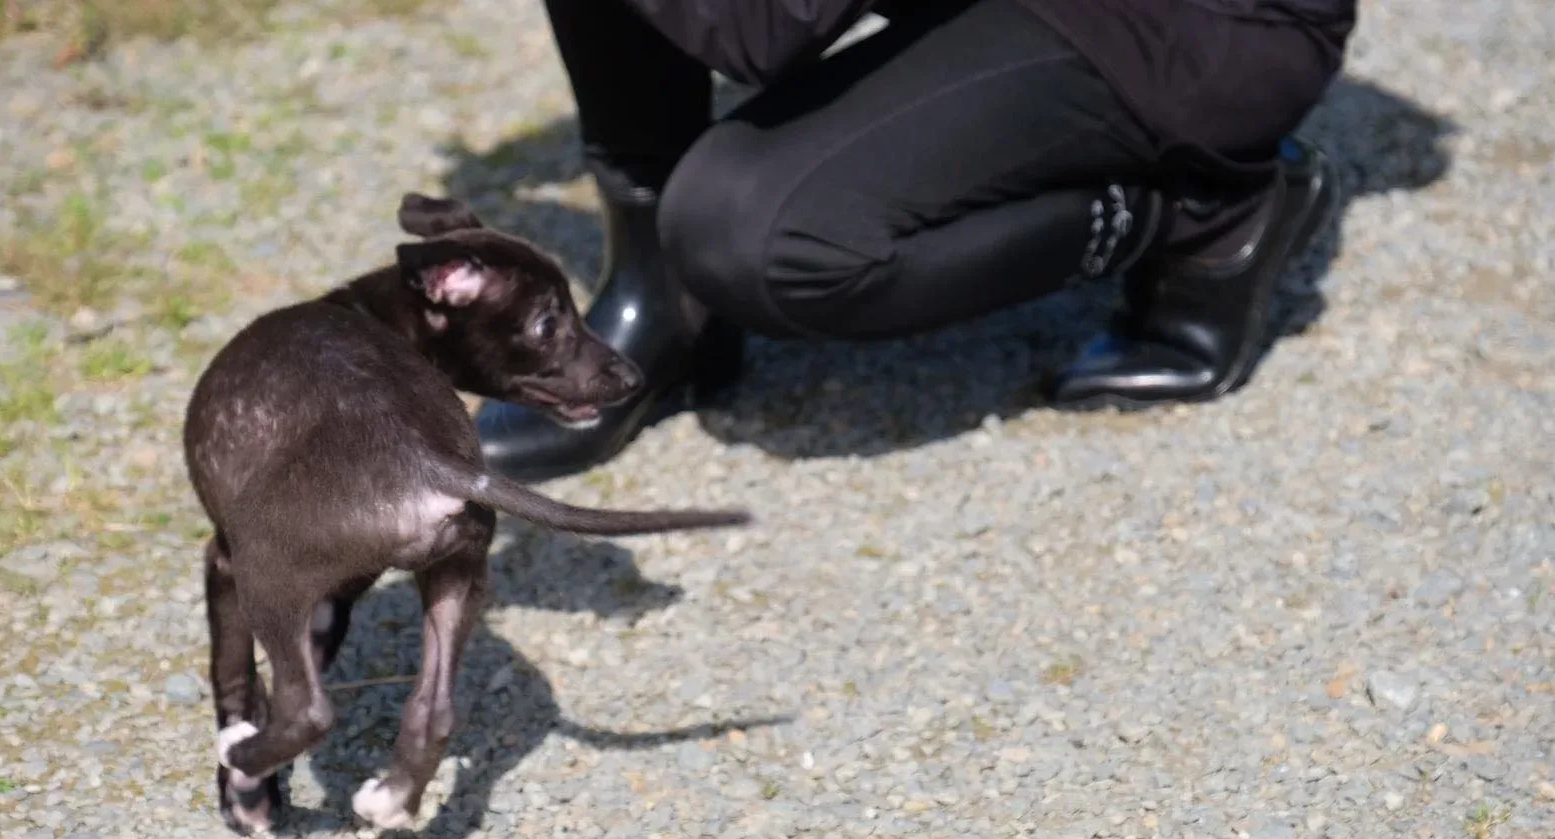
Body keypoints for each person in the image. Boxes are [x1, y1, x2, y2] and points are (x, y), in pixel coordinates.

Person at [476, 0, 1357, 481]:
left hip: (1189, 27)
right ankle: (663, 306)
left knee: (755, 233)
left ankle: (1202, 218)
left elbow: (758, 27)